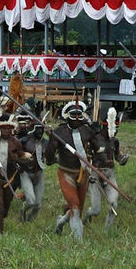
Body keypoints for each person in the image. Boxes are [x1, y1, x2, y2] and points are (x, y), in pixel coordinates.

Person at [46, 101, 99, 241]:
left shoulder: (87, 131)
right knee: (74, 206)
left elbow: (98, 149)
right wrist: (51, 140)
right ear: (67, 116)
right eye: (73, 115)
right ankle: (79, 243)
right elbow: (49, 157)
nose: (76, 119)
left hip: (83, 172)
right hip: (66, 172)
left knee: (78, 209)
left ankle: (61, 221)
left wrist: (98, 131)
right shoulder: (59, 133)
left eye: (79, 115)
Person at [85, 107, 129, 230]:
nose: (115, 131)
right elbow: (87, 158)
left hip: (110, 174)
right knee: (96, 210)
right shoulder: (94, 139)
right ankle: (87, 216)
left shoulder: (115, 141)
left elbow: (118, 157)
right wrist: (90, 173)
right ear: (106, 126)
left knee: (113, 204)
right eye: (114, 128)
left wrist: (123, 159)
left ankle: (107, 231)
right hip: (95, 174)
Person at [16, 112, 47, 222]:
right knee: (31, 201)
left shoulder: (46, 142)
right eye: (37, 129)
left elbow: (52, 156)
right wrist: (20, 162)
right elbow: (14, 155)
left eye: (42, 129)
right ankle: (22, 212)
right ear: (33, 128)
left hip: (39, 173)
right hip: (25, 173)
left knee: (38, 205)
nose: (40, 131)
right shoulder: (24, 141)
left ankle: (29, 221)